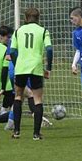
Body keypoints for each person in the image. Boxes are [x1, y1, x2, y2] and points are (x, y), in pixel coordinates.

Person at [10, 7, 53, 140]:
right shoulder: (43, 31)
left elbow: (11, 51)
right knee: (37, 99)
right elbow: (49, 49)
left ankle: (16, 132)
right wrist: (48, 68)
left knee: (18, 97)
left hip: (21, 67)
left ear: (25, 18)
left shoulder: (18, 31)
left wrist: (18, 64)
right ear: (38, 18)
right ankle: (36, 134)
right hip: (36, 67)